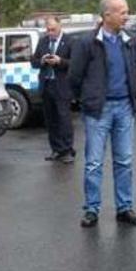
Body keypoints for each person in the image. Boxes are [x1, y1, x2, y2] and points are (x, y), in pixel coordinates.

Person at [68, 0, 136, 228]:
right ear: (106, 15)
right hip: (98, 110)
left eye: (127, 11)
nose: (126, 16)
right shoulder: (87, 43)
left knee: (124, 161)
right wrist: (87, 100)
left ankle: (124, 208)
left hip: (124, 108)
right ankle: (91, 209)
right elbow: (74, 76)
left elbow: (133, 70)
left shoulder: (129, 41)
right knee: (93, 163)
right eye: (122, 12)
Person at [31, 16, 75, 163]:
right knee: (51, 120)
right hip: (47, 84)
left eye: (53, 30)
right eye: (48, 30)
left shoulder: (70, 41)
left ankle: (67, 150)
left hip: (62, 85)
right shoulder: (43, 41)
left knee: (64, 119)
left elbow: (75, 64)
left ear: (60, 26)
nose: (50, 33)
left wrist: (60, 61)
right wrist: (42, 61)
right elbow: (34, 62)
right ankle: (56, 149)